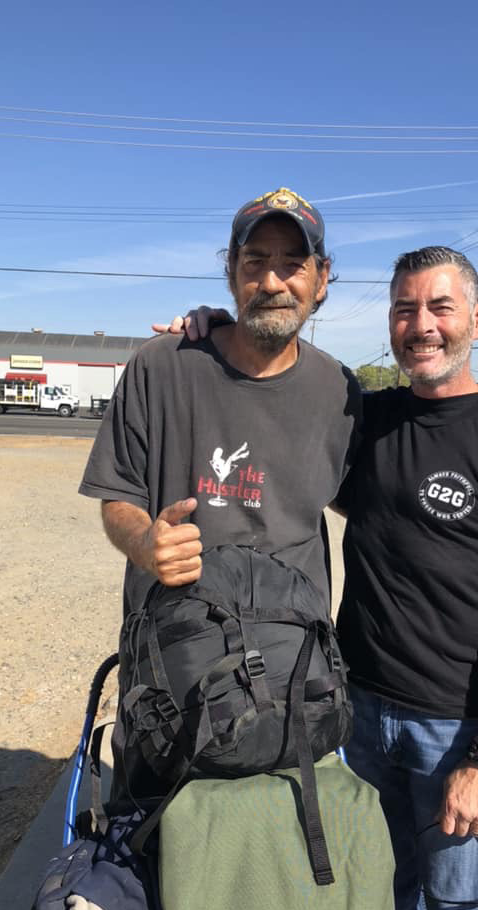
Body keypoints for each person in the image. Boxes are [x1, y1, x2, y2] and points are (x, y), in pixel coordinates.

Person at [162, 245, 478, 910]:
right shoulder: (367, 421)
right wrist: (223, 328)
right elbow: (280, 402)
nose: (422, 325)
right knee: (382, 903)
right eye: (406, 308)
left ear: (475, 317)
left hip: (454, 730)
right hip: (356, 717)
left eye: (440, 307)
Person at [79, 186, 361, 803]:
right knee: (151, 867)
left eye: (293, 263)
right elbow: (117, 496)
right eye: (255, 261)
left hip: (293, 679)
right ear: (230, 272)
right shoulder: (162, 367)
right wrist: (145, 544)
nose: (273, 280)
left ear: (322, 278)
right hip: (171, 675)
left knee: (280, 864)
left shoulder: (340, 393)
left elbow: (373, 505)